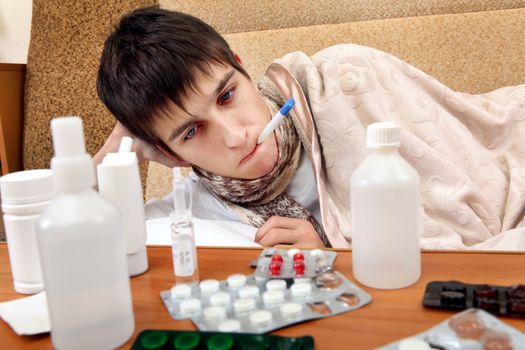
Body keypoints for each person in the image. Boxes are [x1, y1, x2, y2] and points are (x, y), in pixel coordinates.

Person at [95, 6, 525, 250]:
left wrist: (334, 251)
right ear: (168, 154)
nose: (234, 135)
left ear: (242, 68)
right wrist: (112, 152)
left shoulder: (346, 77)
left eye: (227, 96)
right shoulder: (199, 206)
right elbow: (42, 243)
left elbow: (477, 216)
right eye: (191, 132)